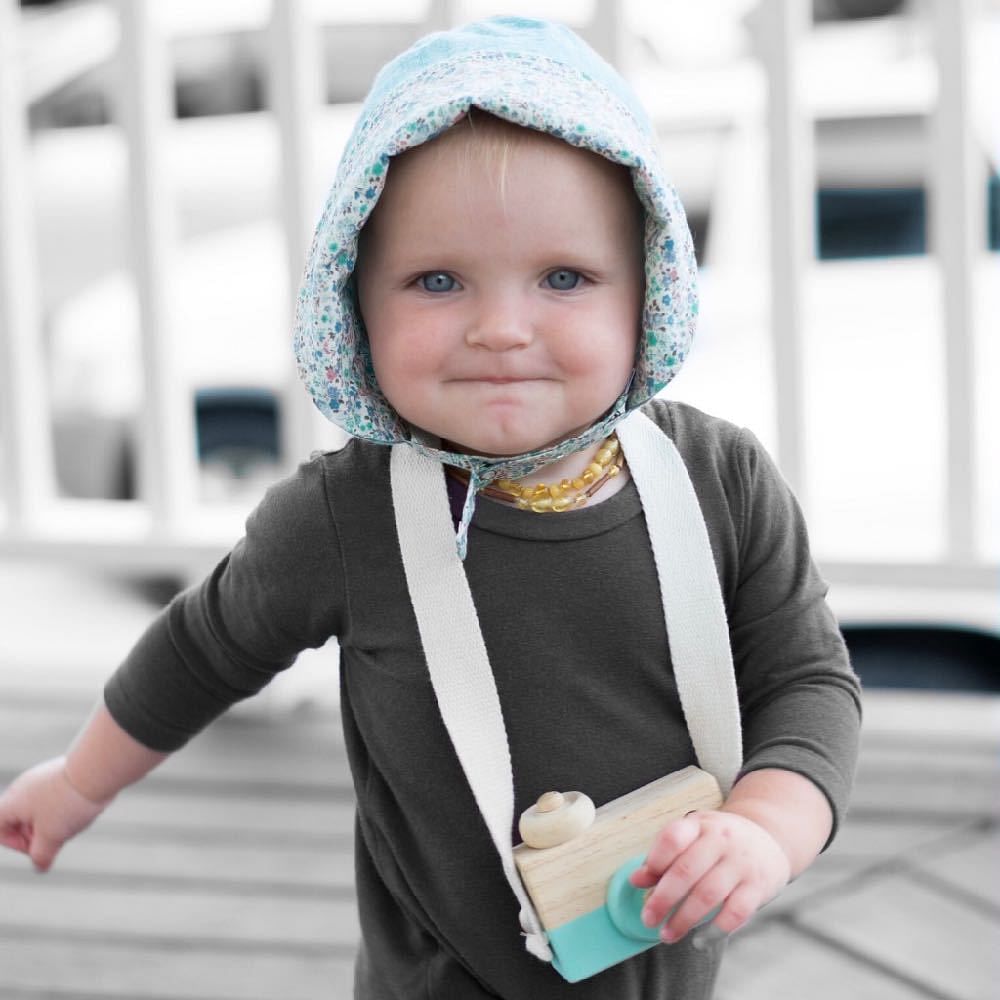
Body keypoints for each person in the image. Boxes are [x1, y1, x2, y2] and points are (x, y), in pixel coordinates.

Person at [0, 16, 861, 999]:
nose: (500, 328)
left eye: (565, 278)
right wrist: (78, 782)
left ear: (646, 295)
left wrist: (764, 826)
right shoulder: (342, 519)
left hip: (660, 965)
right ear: (356, 304)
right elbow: (200, 648)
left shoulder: (723, 482)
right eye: (438, 281)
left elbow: (807, 682)